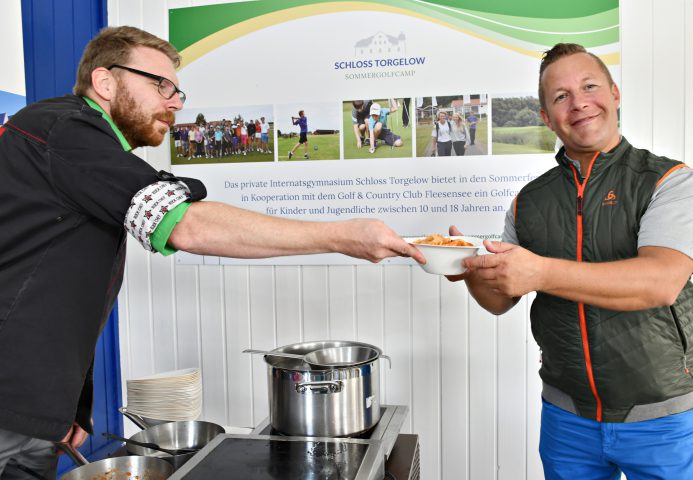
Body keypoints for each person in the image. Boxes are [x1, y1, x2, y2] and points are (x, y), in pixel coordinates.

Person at [0, 26, 425, 479]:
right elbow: (186, 225)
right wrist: (343, 236)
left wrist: (66, 404)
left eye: (177, 90)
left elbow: (54, 282)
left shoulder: (86, 150)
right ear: (105, 82)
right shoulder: (64, 128)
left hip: (35, 405)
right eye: (160, 85)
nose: (176, 102)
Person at [449, 43, 693, 479]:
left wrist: (541, 271)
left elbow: (660, 281)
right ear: (546, 118)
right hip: (567, 417)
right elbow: (499, 301)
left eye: (589, 86)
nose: (579, 102)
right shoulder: (528, 202)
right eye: (561, 96)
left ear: (615, 93)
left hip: (663, 418)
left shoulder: (669, 180)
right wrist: (470, 269)